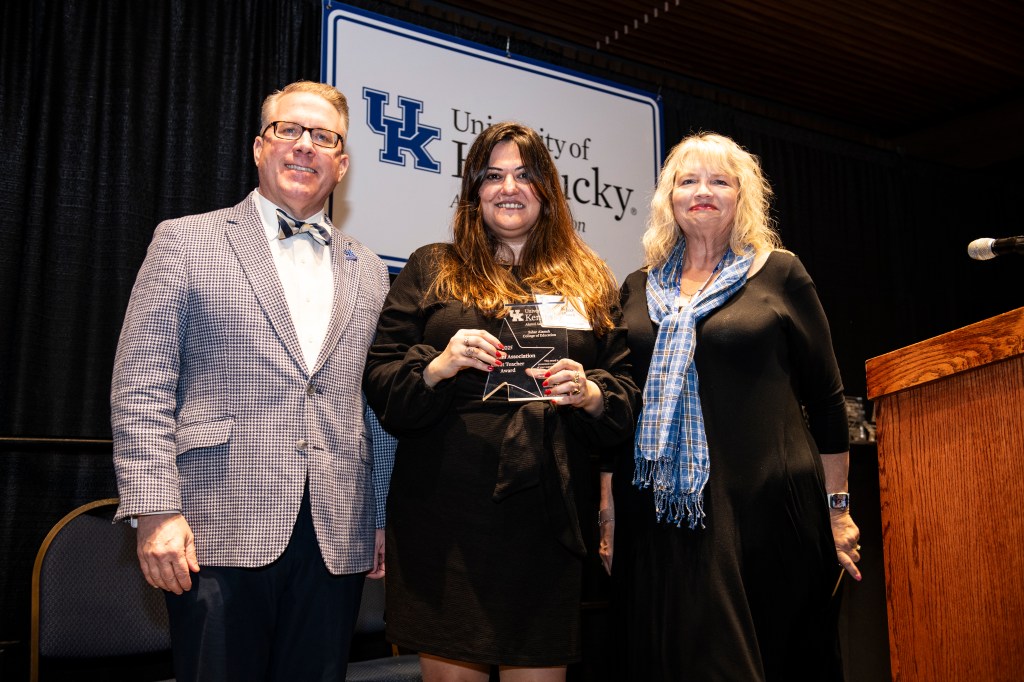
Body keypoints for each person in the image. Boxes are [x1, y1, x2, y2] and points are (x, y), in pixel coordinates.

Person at [111, 80, 391, 681]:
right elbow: (141, 385)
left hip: (337, 529)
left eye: (324, 137)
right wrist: (154, 509)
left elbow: (375, 401)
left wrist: (380, 513)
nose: (305, 145)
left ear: (342, 164)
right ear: (260, 147)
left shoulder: (369, 268)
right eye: (288, 130)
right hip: (214, 524)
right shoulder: (185, 240)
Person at [363, 122, 638, 681]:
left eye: (524, 175)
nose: (509, 187)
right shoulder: (432, 266)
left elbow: (626, 394)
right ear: (474, 191)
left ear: (547, 191)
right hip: (443, 516)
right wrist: (439, 366)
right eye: (493, 176)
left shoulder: (590, 280)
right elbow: (381, 378)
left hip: (546, 520)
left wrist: (589, 394)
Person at [602, 132, 861, 681]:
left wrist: (837, 511)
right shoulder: (636, 287)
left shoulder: (780, 273)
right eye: (688, 181)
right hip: (659, 514)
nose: (703, 192)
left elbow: (827, 400)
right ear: (668, 198)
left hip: (766, 511)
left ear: (742, 198)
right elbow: (619, 407)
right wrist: (608, 513)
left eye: (720, 181)